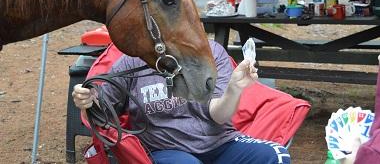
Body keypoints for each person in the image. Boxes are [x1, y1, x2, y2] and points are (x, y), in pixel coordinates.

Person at [72, 40, 291, 164]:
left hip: (219, 144)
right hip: (166, 150)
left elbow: (219, 114)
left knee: (275, 156)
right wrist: (89, 100)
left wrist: (234, 88)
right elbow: (105, 111)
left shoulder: (210, 52)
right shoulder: (130, 62)